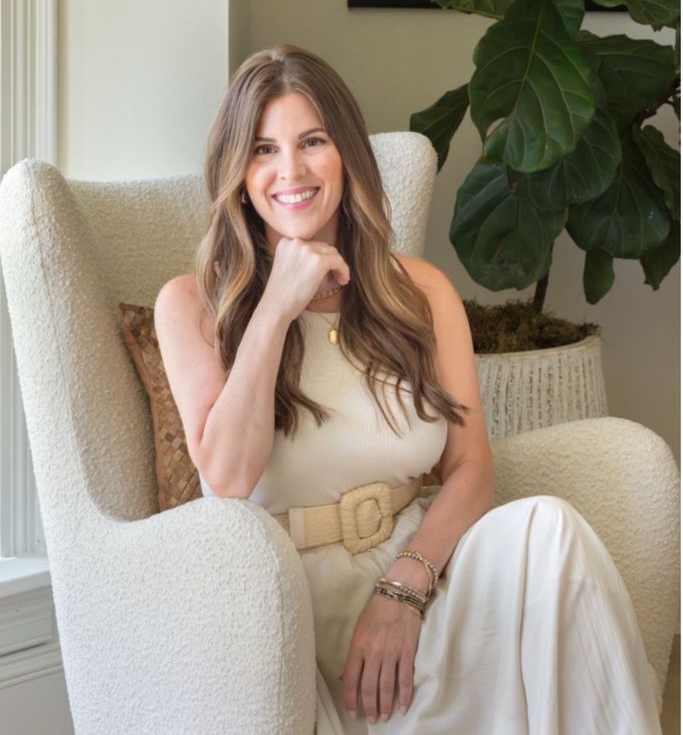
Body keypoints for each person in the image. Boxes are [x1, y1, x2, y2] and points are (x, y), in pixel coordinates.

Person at [154, 44, 662, 734]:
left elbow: (470, 468)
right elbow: (229, 477)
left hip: (421, 579)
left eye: (312, 142)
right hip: (292, 609)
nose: (291, 171)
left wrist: (405, 589)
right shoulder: (192, 305)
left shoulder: (418, 290)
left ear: (347, 156)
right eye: (263, 150)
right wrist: (275, 308)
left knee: (549, 529)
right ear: (239, 175)